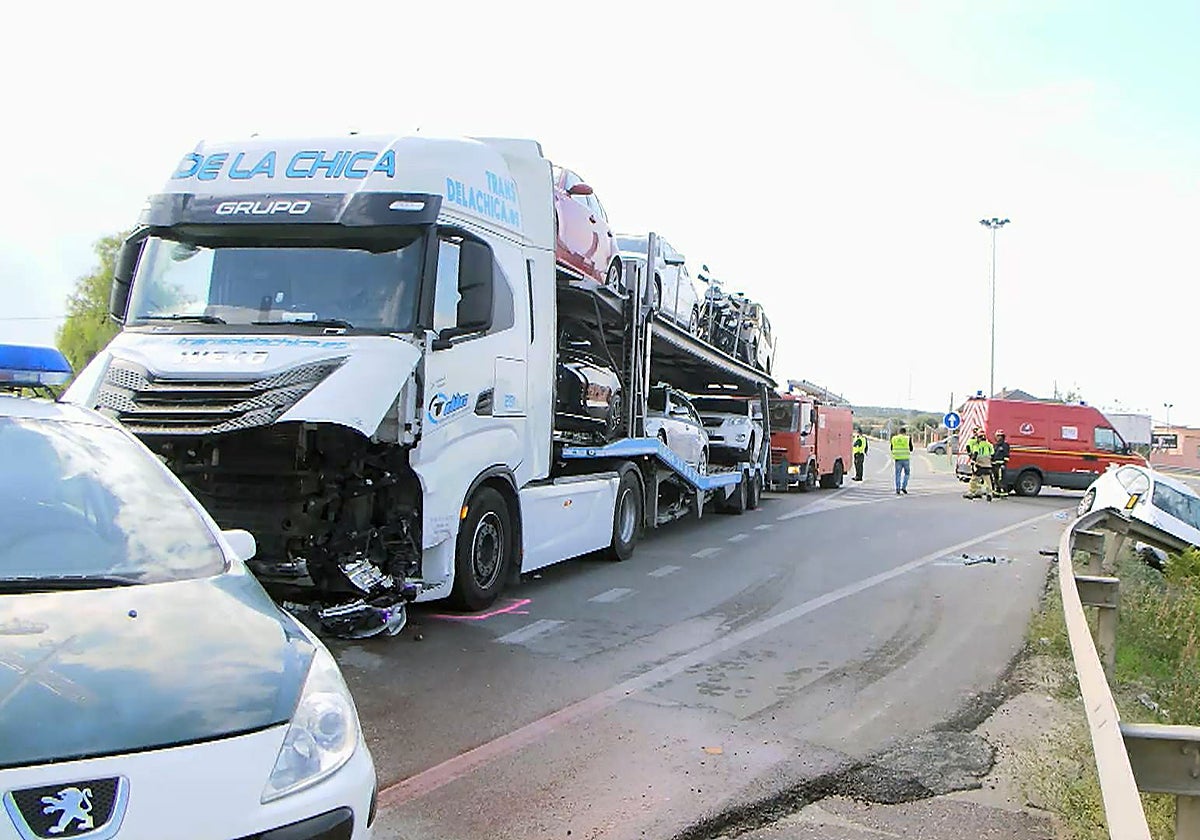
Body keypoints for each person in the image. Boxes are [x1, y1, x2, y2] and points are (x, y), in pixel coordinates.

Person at [964, 428, 995, 500]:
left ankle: (971, 492)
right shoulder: (989, 445)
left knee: (974, 479)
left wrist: (972, 461)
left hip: (980, 465)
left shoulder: (977, 445)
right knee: (987, 480)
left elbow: (975, 453)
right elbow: (993, 454)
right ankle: (989, 493)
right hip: (988, 465)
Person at [890, 425, 913, 495]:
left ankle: (897, 489)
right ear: (905, 432)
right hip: (906, 458)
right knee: (907, 473)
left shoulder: (894, 438)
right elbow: (911, 449)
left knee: (898, 474)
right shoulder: (907, 438)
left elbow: (891, 448)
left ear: (898, 432)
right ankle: (904, 487)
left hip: (897, 459)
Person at [992, 430, 1010, 496]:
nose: (999, 437)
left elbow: (1006, 456)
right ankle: (997, 491)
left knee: (1001, 479)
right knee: (995, 478)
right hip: (995, 465)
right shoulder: (995, 445)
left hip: (1001, 465)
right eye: (998, 436)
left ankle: (1004, 492)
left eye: (1000, 436)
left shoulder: (1005, 445)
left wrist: (1003, 464)